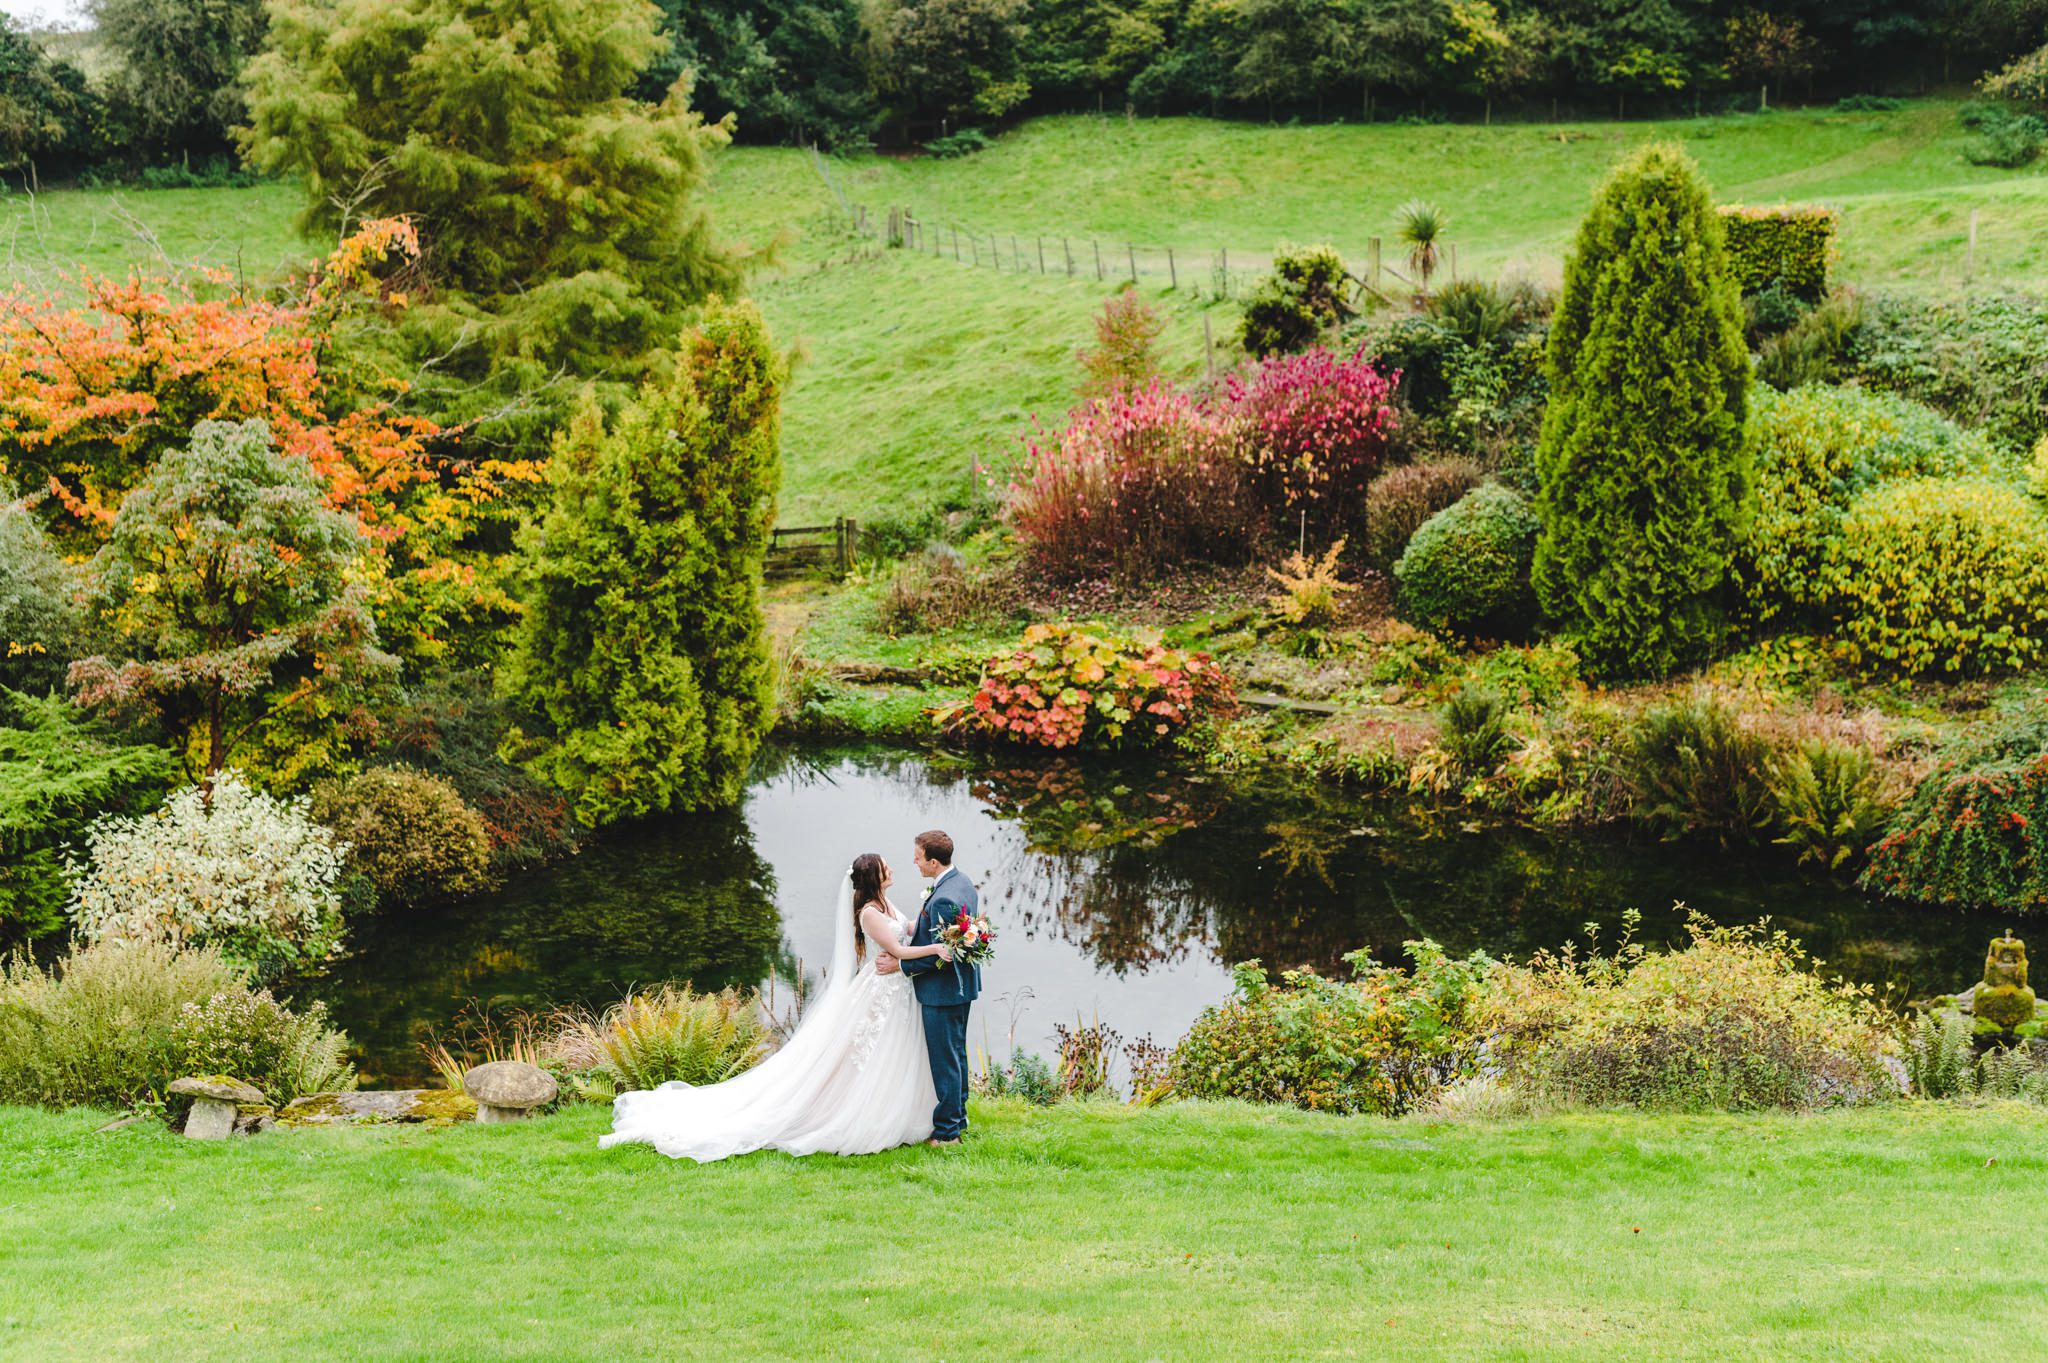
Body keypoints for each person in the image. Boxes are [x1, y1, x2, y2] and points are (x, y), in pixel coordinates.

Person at [599, 852, 948, 1161]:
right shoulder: (869, 913)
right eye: (886, 868)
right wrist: (935, 950)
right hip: (879, 990)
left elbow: (908, 929)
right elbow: (899, 951)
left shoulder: (886, 904)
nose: (892, 870)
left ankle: (895, 1111)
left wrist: (943, 927)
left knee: (891, 1053)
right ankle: (855, 1114)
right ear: (874, 877)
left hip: (896, 990)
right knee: (866, 1055)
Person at [876, 829, 981, 1145]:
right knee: (956, 1055)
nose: (914, 861)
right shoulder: (961, 882)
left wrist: (900, 965)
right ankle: (958, 1120)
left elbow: (942, 954)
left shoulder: (945, 897)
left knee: (944, 1061)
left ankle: (948, 1133)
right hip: (960, 989)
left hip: (943, 991)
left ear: (934, 862)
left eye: (918, 857)